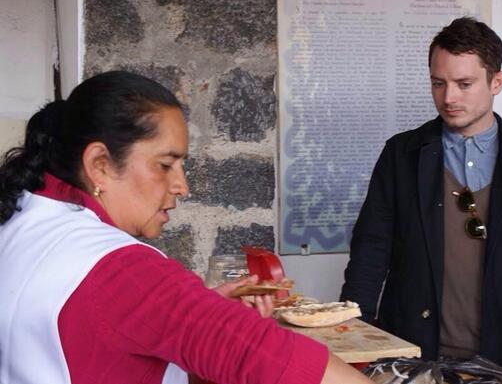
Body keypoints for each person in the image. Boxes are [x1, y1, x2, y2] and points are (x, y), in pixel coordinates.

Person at [0, 71, 374, 384]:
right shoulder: (119, 268)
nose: (182, 186)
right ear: (99, 164)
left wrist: (200, 310)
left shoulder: (23, 218)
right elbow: (270, 358)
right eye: (165, 165)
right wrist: (200, 315)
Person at [340, 17, 502, 384]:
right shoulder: (400, 155)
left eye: (464, 84)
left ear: (496, 81)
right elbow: (372, 247)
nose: (448, 97)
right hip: (412, 355)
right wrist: (355, 330)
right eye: (439, 83)